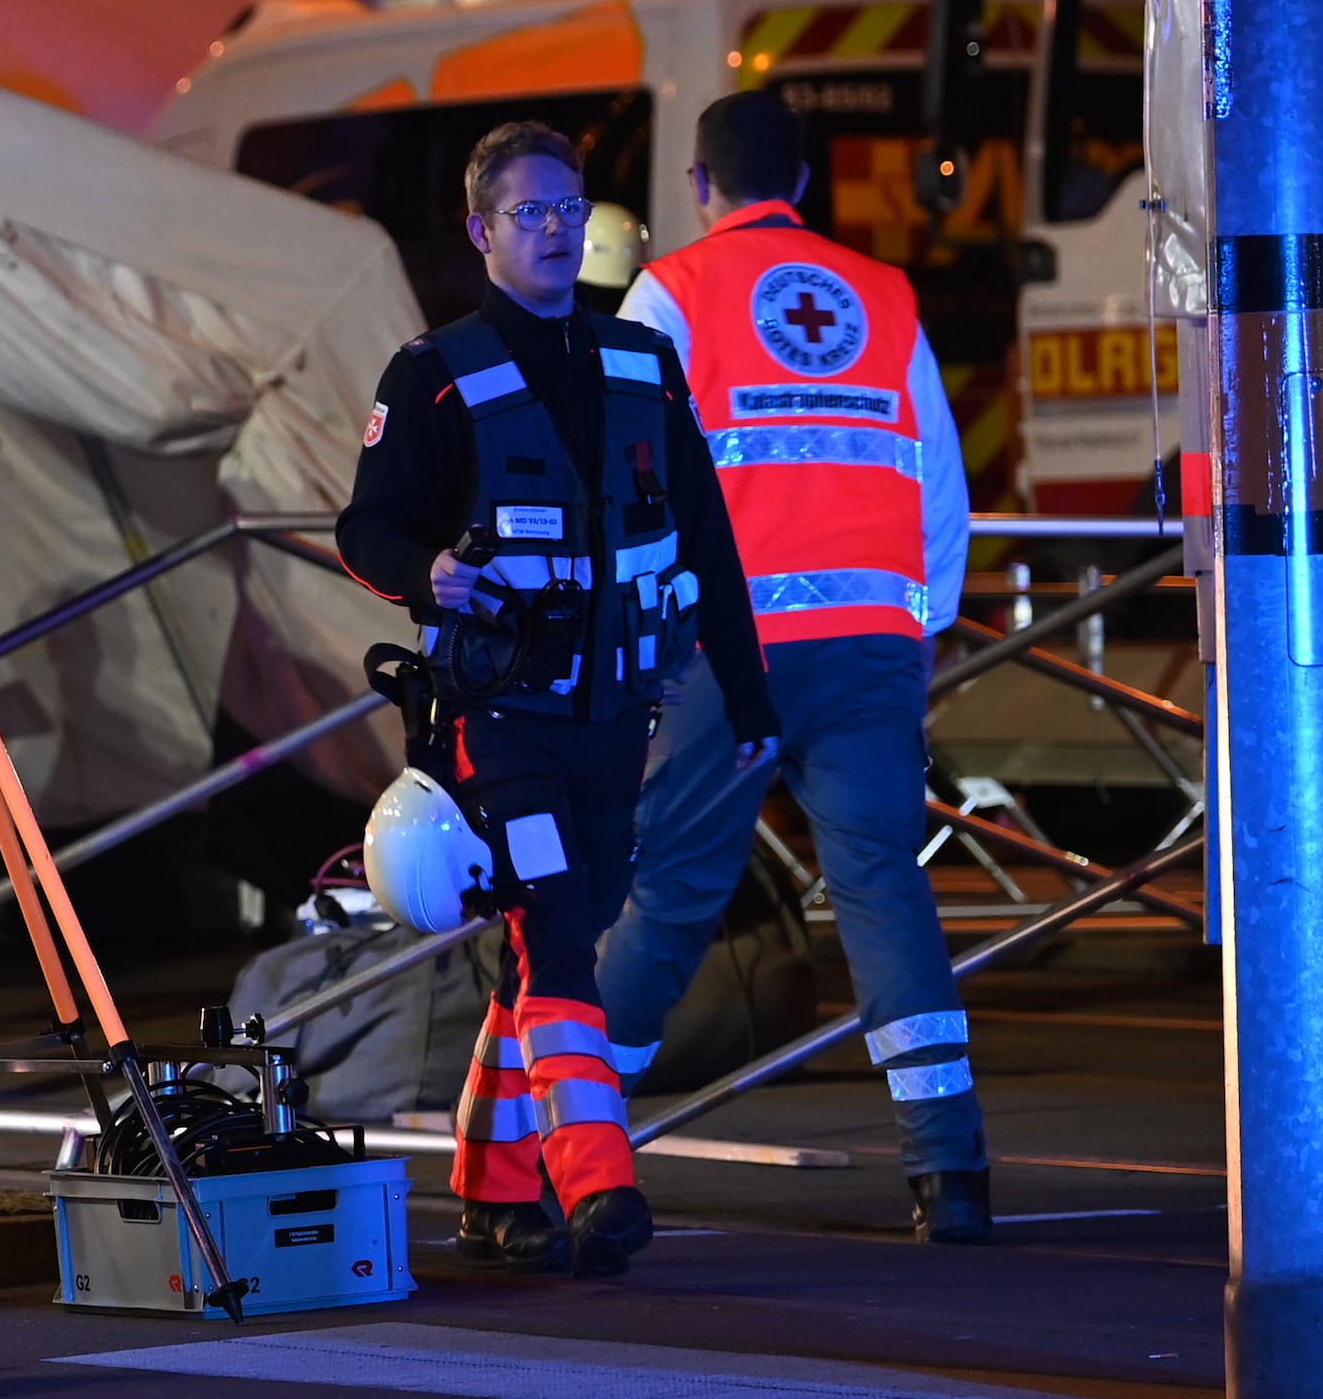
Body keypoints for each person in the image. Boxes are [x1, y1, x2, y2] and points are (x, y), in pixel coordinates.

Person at [337, 119, 778, 1276]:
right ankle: (596, 1182)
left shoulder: (640, 362)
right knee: (555, 934)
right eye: (527, 212)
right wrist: (424, 572)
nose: (553, 230)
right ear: (479, 231)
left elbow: (706, 539)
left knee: (551, 942)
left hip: (616, 718)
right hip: (499, 716)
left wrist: (747, 695)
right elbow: (363, 527)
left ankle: (490, 1192)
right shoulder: (431, 374)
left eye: (568, 209)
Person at [595, 86, 994, 1240]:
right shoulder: (880, 294)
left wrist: (635, 639)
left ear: (696, 185)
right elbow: (937, 482)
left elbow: (627, 479)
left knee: (673, 894)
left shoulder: (669, 290)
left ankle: (563, 1139)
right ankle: (948, 1169)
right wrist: (918, 627)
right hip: (869, 645)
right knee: (882, 885)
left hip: (726, 652)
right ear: (804, 182)